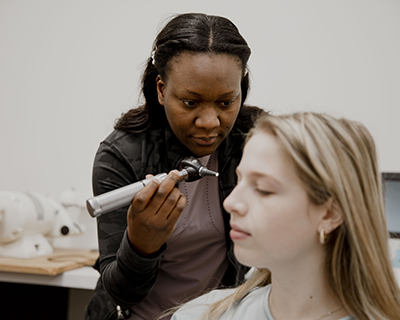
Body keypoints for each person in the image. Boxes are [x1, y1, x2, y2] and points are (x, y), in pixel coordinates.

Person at [84, 12, 265, 320]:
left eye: (226, 103)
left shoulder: (257, 142)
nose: (209, 123)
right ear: (161, 89)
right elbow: (120, 291)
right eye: (190, 103)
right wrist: (142, 245)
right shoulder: (123, 154)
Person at [170, 112, 400, 320]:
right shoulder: (199, 315)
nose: (230, 203)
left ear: (330, 214)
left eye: (263, 189)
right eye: (239, 180)